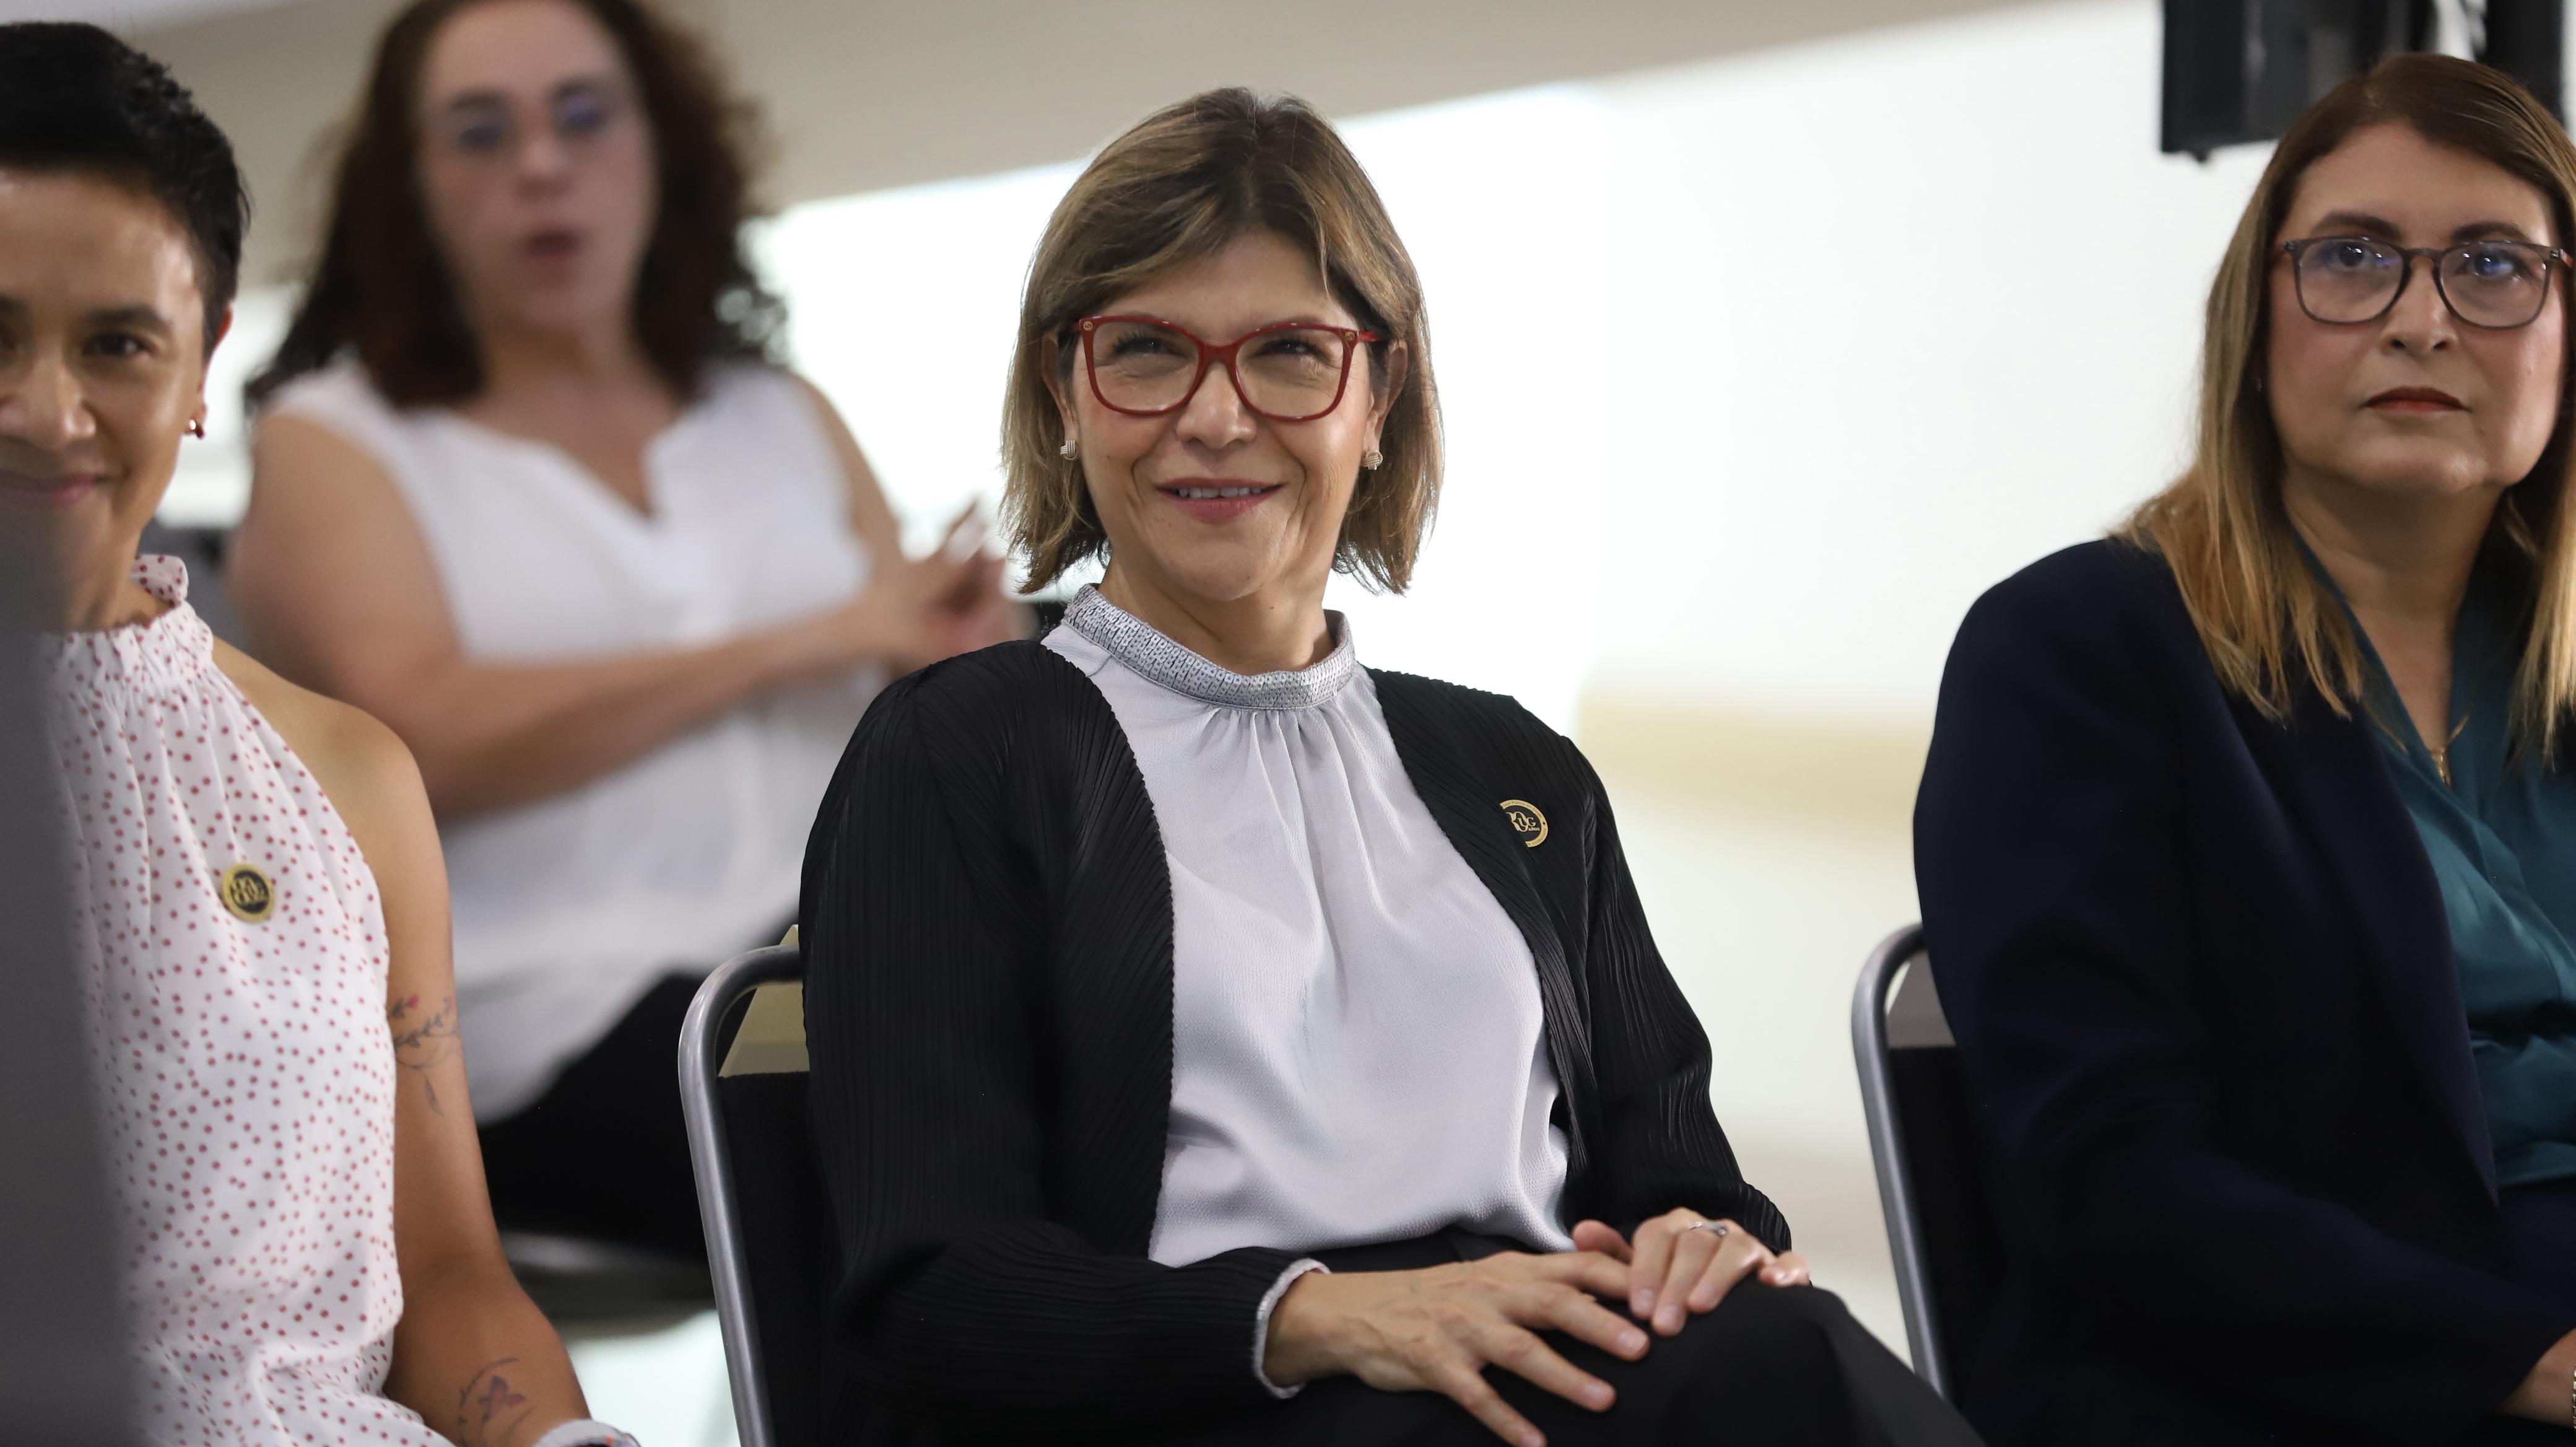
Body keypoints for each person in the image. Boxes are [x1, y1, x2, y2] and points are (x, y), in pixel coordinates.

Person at [799, 88, 1980, 1447]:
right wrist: (1328, 1317)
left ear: (1379, 398)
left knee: (1782, 1348)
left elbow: (1682, 1181)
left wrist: (1700, 1242)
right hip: (1206, 1402)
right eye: (1146, 352)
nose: (1216, 416)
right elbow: (933, 1297)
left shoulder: (1514, 767)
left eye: (1291, 354)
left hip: (1545, 1381)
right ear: (1063, 392)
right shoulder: (963, 751)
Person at [227, 0, 1017, 1262]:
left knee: (1142, 1047)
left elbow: (914, 658)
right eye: (480, 132)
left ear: (662, 147)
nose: (542, 164)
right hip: (554, 1018)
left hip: (853, 957)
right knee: (919, 1136)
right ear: (412, 185)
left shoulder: (779, 411)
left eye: (584, 116)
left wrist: (964, 659)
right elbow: (418, 732)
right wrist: (807, 639)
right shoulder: (337, 437)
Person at [1917, 53, 2576, 1447]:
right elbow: (2108, 1172)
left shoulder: (2556, 665)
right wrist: (2513, 1360)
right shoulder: (2077, 650)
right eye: (2352, 258)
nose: (2421, 322)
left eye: (2493, 266)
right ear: (2251, 316)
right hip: (2293, 1380)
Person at [0, 22, 633, 1447]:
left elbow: (451, 1279)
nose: (49, 411)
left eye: (116, 344)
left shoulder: (343, 777)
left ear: (204, 366)